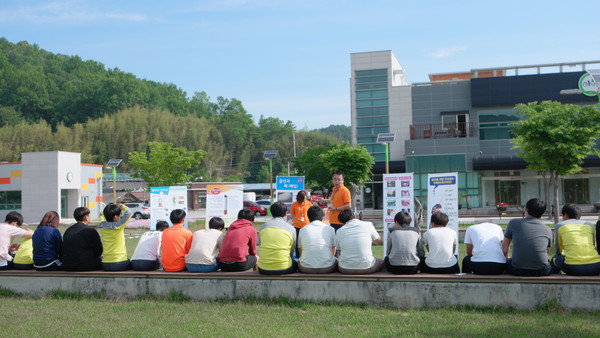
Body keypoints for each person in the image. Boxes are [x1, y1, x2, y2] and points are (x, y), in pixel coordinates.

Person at [502, 198, 552, 276]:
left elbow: (505, 246)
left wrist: (505, 260)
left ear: (526, 209)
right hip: (541, 271)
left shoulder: (514, 223)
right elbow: (546, 251)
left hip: (517, 269)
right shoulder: (548, 229)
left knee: (509, 262)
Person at [551, 204, 600, 276]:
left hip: (573, 268)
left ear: (566, 215)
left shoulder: (560, 225)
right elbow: (592, 244)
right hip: (596, 266)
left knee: (555, 258)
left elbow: (558, 250)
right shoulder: (589, 225)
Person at [336, 209, 383, 274]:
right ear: (355, 216)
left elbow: (339, 252)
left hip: (345, 268)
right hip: (367, 267)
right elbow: (379, 242)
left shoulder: (339, 231)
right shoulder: (368, 225)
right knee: (382, 262)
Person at [258, 202, 298, 275]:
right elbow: (292, 249)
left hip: (263, 268)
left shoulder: (263, 227)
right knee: (296, 263)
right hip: (284, 267)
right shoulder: (291, 228)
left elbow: (261, 245)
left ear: (272, 212)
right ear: (286, 214)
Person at [297, 205, 337, 273]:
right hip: (327, 268)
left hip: (306, 268)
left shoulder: (303, 230)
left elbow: (300, 250)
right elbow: (333, 249)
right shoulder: (331, 229)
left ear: (308, 217)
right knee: (336, 260)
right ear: (322, 216)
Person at [63, 207, 103, 271]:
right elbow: (99, 251)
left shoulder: (68, 230)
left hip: (67, 265)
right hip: (84, 265)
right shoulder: (90, 230)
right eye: (89, 215)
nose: (90, 217)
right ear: (86, 217)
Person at [98, 204, 133, 271]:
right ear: (115, 217)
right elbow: (129, 213)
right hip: (119, 262)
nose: (120, 217)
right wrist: (123, 207)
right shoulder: (119, 225)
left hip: (105, 263)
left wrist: (109, 209)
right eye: (120, 215)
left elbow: (101, 214)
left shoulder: (102, 225)